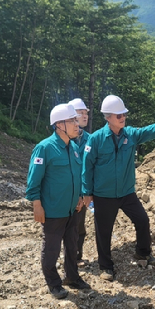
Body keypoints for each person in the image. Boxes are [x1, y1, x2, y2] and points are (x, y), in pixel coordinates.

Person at [82, 95, 155, 281]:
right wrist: (86, 192)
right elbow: (86, 167)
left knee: (142, 220)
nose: (123, 118)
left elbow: (151, 131)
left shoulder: (131, 135)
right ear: (108, 117)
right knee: (104, 231)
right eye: (119, 115)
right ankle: (106, 266)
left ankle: (143, 253)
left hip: (126, 193)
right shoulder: (95, 139)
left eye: (124, 114)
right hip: (104, 194)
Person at [26, 104, 91, 299]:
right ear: (59, 124)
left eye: (75, 120)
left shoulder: (74, 147)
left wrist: (80, 196)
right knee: (52, 249)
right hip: (53, 211)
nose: (76, 124)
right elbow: (33, 180)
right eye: (72, 121)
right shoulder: (44, 148)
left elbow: (77, 175)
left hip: (73, 209)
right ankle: (53, 283)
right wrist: (36, 205)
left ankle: (72, 277)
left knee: (72, 246)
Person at [69, 98, 91, 267]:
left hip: (81, 192)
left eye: (86, 113)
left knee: (79, 225)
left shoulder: (90, 140)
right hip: (64, 191)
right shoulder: (61, 139)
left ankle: (76, 256)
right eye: (81, 113)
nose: (85, 116)